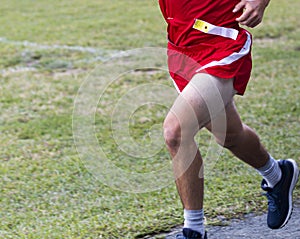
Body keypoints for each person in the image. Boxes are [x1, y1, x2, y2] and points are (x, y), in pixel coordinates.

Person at [158, 0, 299, 238]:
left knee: (176, 132)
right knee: (230, 135)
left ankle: (193, 230)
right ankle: (278, 175)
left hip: (221, 43)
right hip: (181, 49)